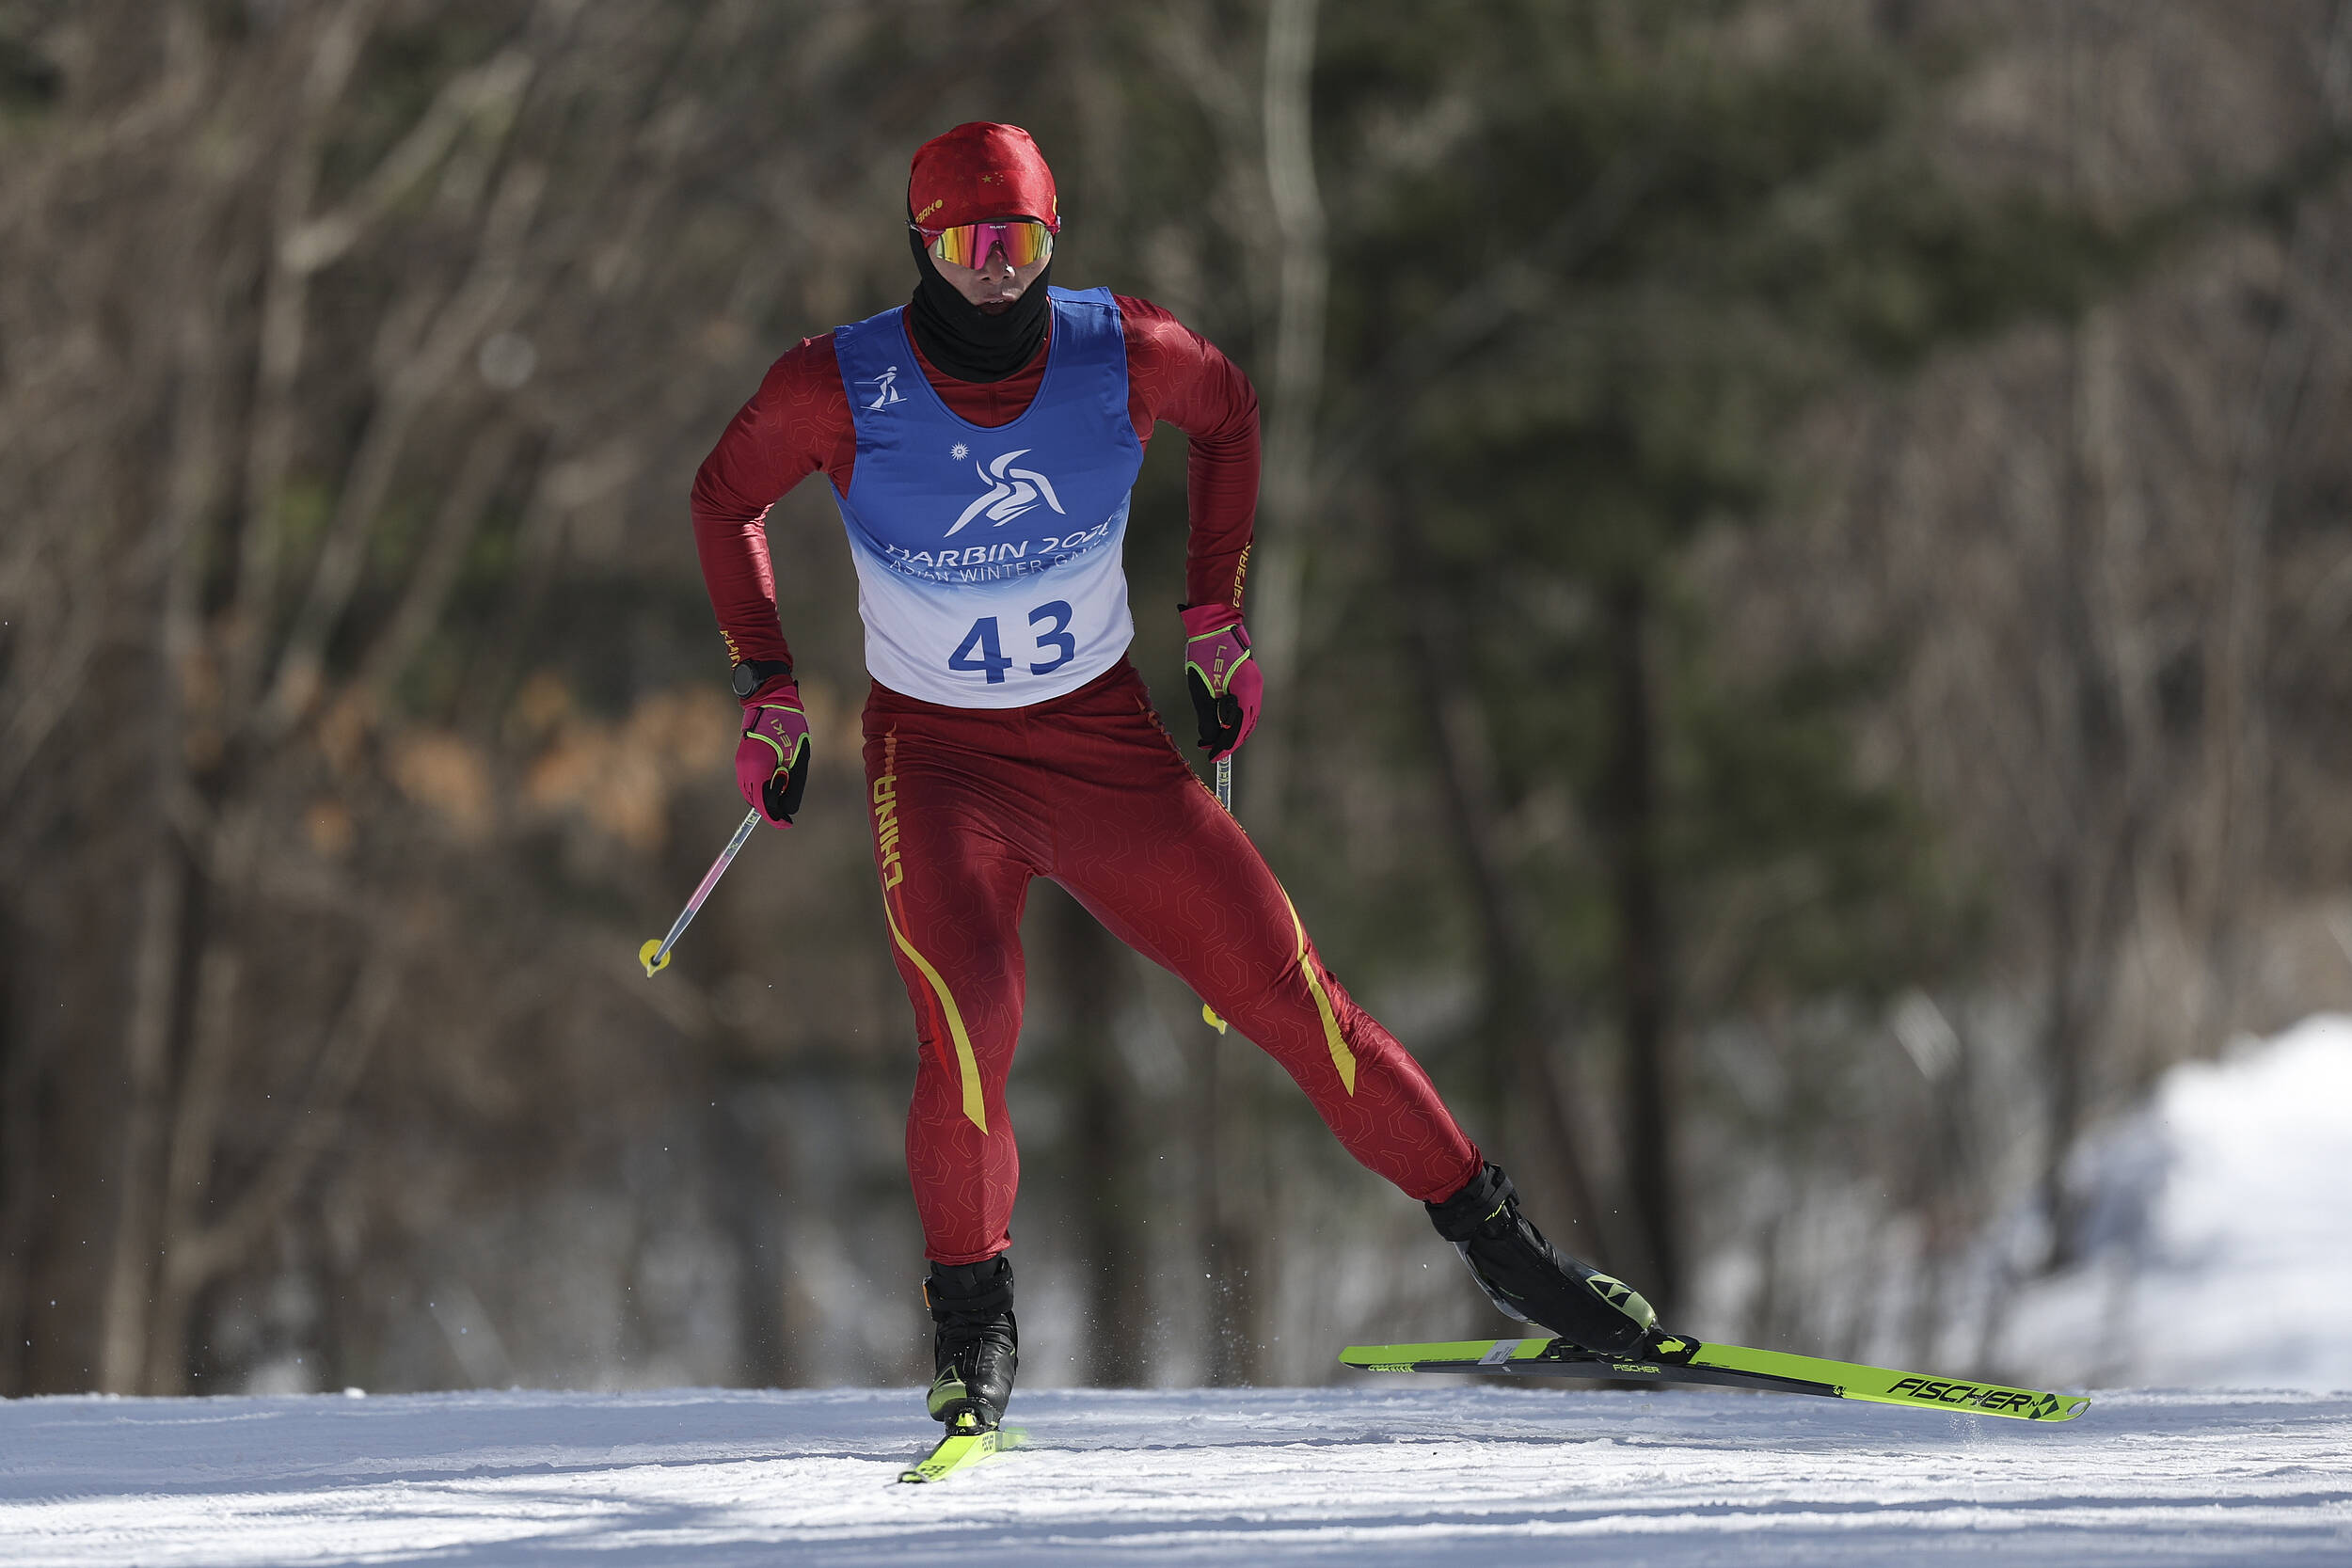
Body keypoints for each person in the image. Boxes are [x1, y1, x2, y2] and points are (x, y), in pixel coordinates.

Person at [689, 121, 1659, 1434]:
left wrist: (1217, 613)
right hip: (942, 766)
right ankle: (973, 1332)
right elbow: (723, 495)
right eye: (970, 243)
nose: (994, 271)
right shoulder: (837, 385)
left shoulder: (1122, 352)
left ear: (1053, 240)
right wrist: (769, 687)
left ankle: (1514, 1253)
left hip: (1105, 752)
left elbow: (1233, 418)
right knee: (966, 1042)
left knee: (1298, 1002)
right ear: (920, 240)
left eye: (1020, 241)